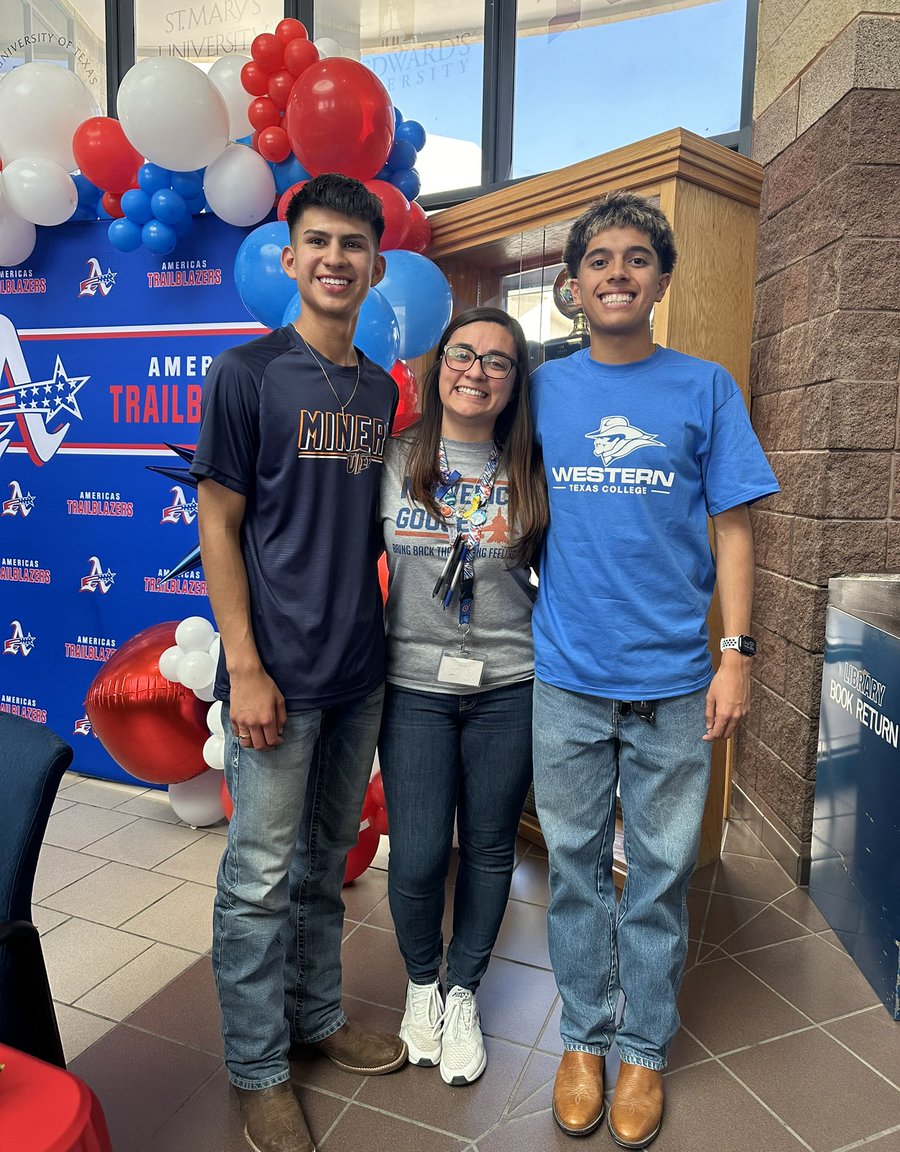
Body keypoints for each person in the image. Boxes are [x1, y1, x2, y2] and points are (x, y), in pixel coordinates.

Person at [530, 191, 779, 1148]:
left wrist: (737, 654)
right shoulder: (546, 389)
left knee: (662, 874)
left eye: (638, 259)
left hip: (678, 678)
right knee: (580, 870)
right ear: (576, 283)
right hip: (566, 675)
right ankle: (584, 1038)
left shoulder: (704, 386)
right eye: (600, 260)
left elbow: (735, 528)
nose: (619, 273)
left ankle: (643, 1048)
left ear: (662, 281)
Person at [192, 173, 406, 1152]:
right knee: (257, 879)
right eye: (317, 241)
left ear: (375, 265)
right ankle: (256, 1068)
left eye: (352, 245)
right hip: (274, 675)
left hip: (357, 672)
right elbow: (220, 523)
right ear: (291, 258)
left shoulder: (377, 389)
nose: (334, 259)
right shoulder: (246, 375)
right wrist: (243, 665)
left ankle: (315, 1020)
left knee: (326, 868)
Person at [378, 306, 547, 1086]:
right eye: (463, 354)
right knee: (414, 854)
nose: (476, 371)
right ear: (438, 364)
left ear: (515, 383)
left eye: (498, 362)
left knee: (487, 849)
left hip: (509, 686)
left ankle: (462, 993)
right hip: (411, 685)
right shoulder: (392, 459)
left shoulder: (533, 469)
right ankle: (420, 984)